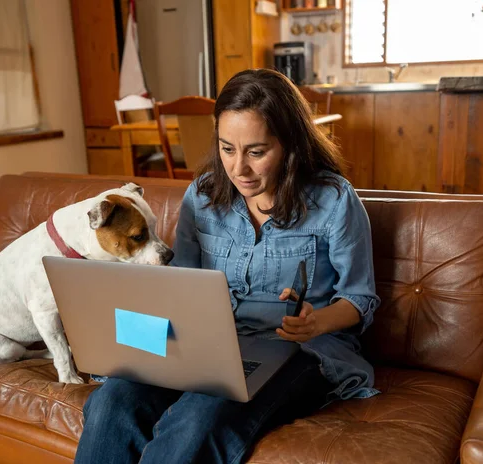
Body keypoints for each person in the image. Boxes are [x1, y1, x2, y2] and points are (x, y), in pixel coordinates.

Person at [75, 69, 380, 464]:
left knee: (202, 415)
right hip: (209, 344)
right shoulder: (201, 196)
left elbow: (359, 297)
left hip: (299, 349)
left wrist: (317, 321)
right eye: (227, 149)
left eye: (256, 152)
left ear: (289, 143)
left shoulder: (334, 200)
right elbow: (180, 287)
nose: (239, 169)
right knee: (112, 400)